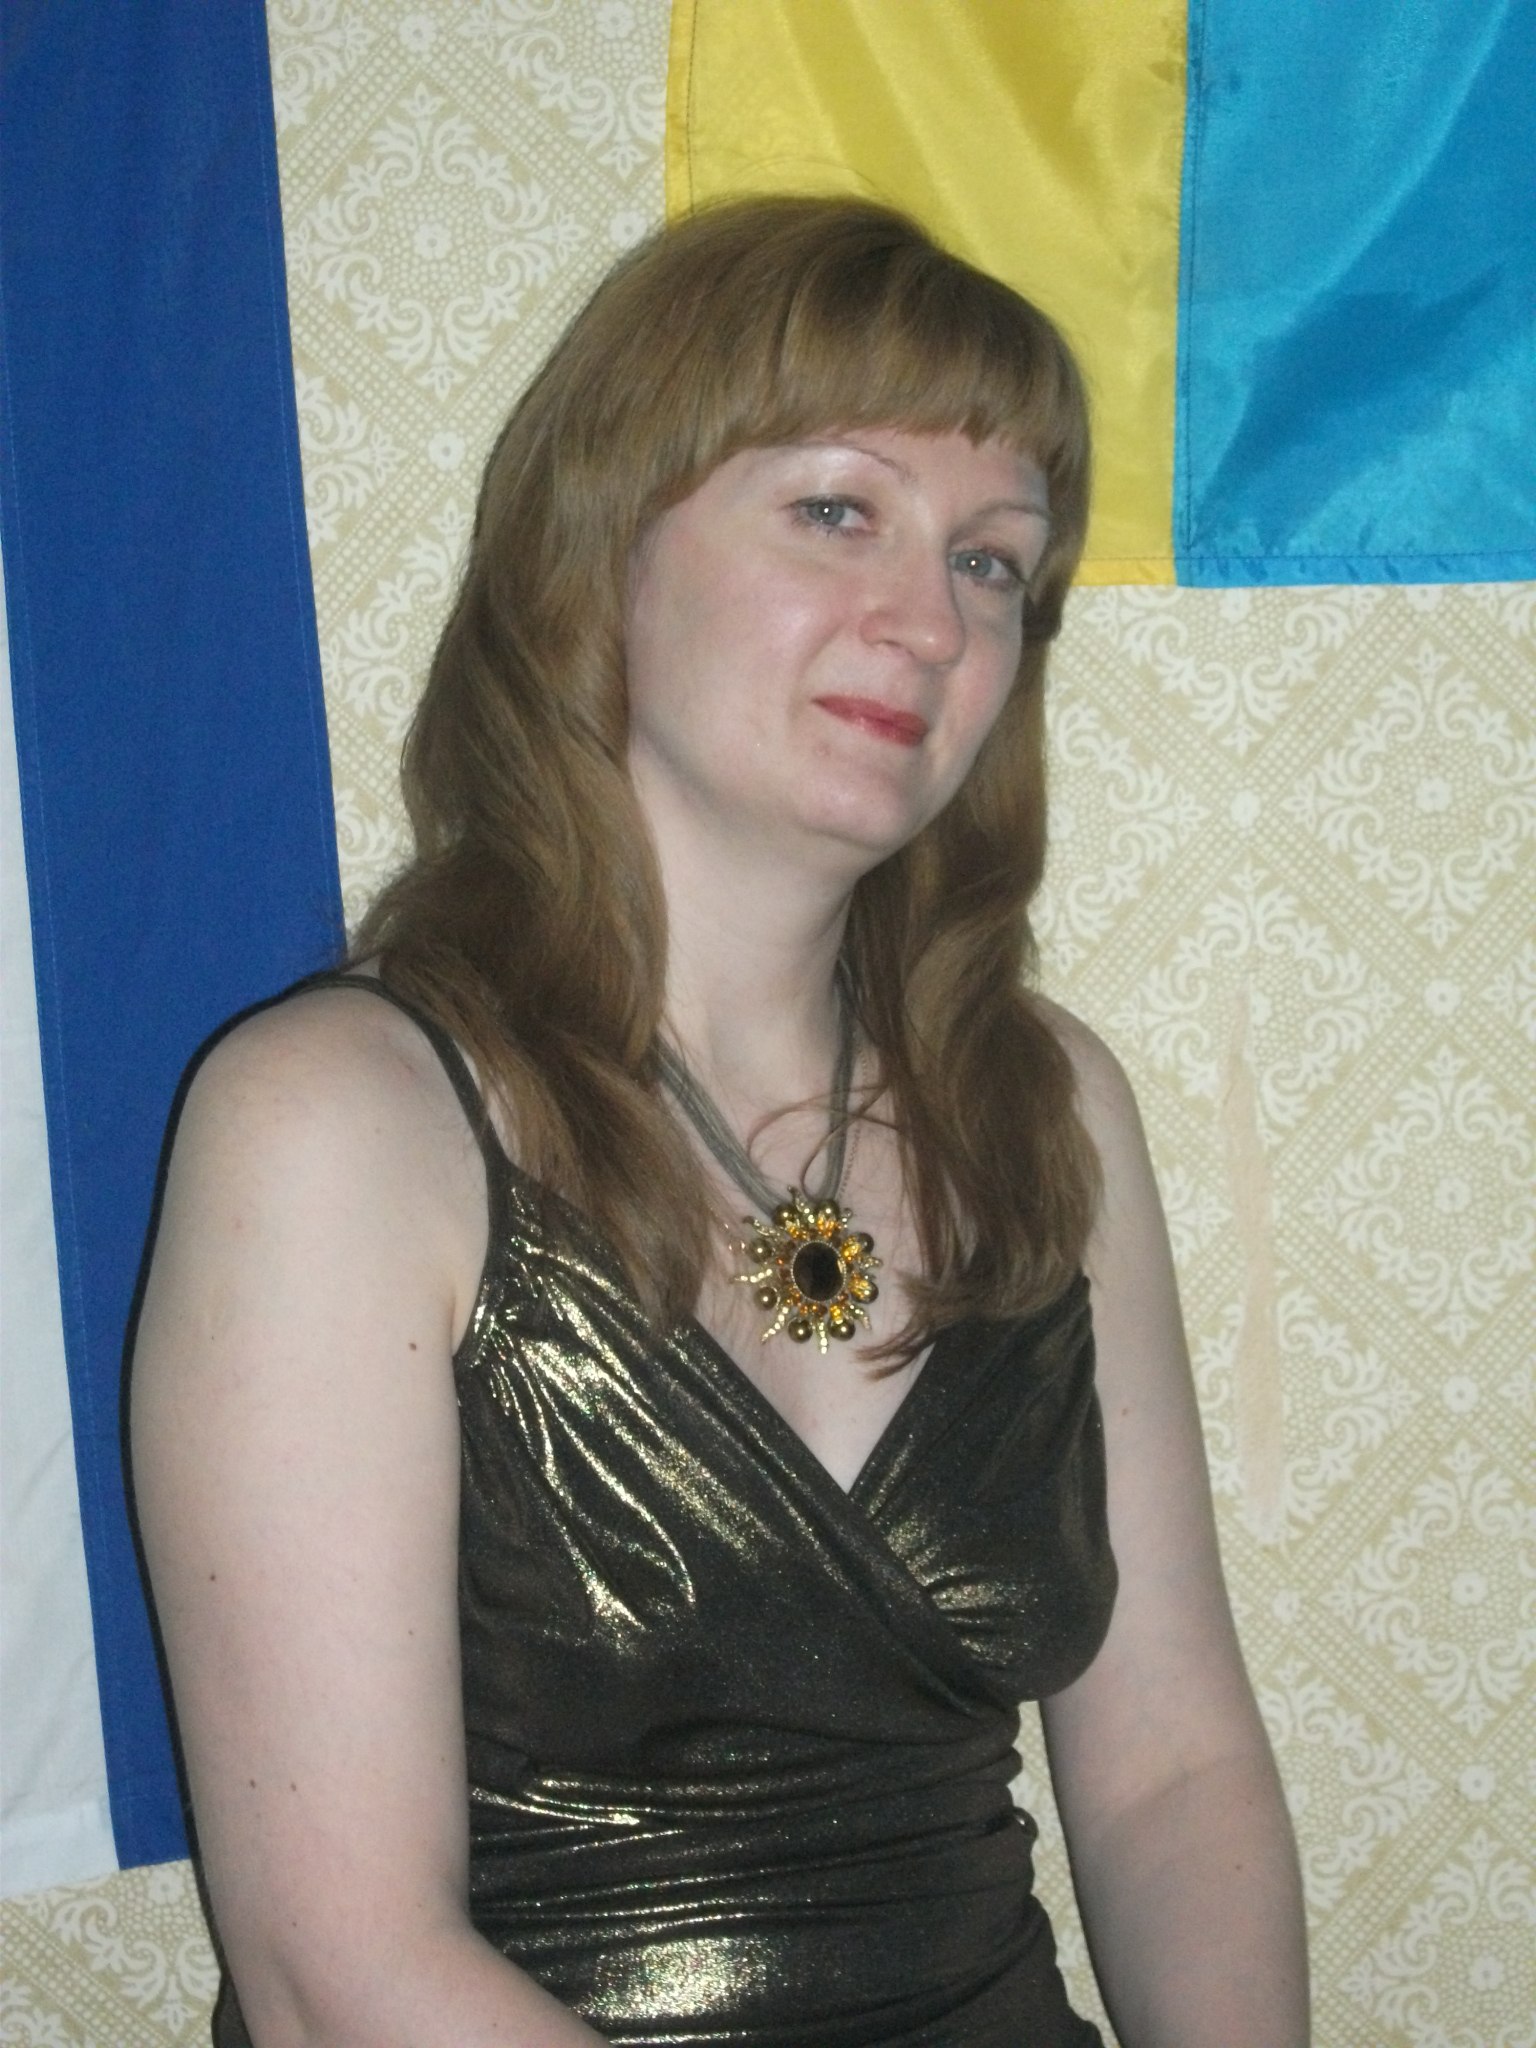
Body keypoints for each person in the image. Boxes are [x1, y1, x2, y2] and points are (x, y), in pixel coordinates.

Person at [130, 197, 1308, 2047]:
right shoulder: (336, 1126)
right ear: (604, 544)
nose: (930, 621)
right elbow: (335, 1974)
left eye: (992, 563)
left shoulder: (1047, 1103)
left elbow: (1173, 1767)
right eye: (838, 511)